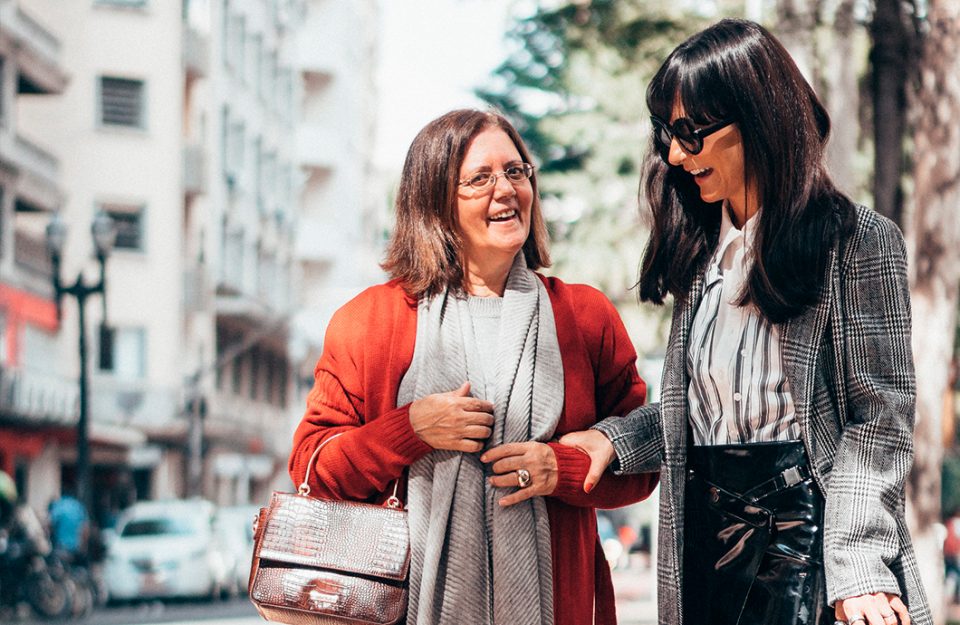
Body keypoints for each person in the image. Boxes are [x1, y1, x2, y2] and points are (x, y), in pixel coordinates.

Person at [559, 18, 931, 625]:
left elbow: (879, 418)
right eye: (667, 135)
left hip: (808, 538)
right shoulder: (700, 259)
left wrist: (859, 564)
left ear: (757, 118)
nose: (677, 154)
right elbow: (705, 412)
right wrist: (614, 441)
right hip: (701, 537)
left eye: (691, 132)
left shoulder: (857, 242)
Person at [289, 108, 658, 625]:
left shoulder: (584, 316)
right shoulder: (369, 322)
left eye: (515, 171)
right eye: (479, 179)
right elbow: (313, 469)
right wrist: (411, 429)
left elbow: (643, 463)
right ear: (435, 203)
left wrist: (562, 470)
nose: (505, 190)